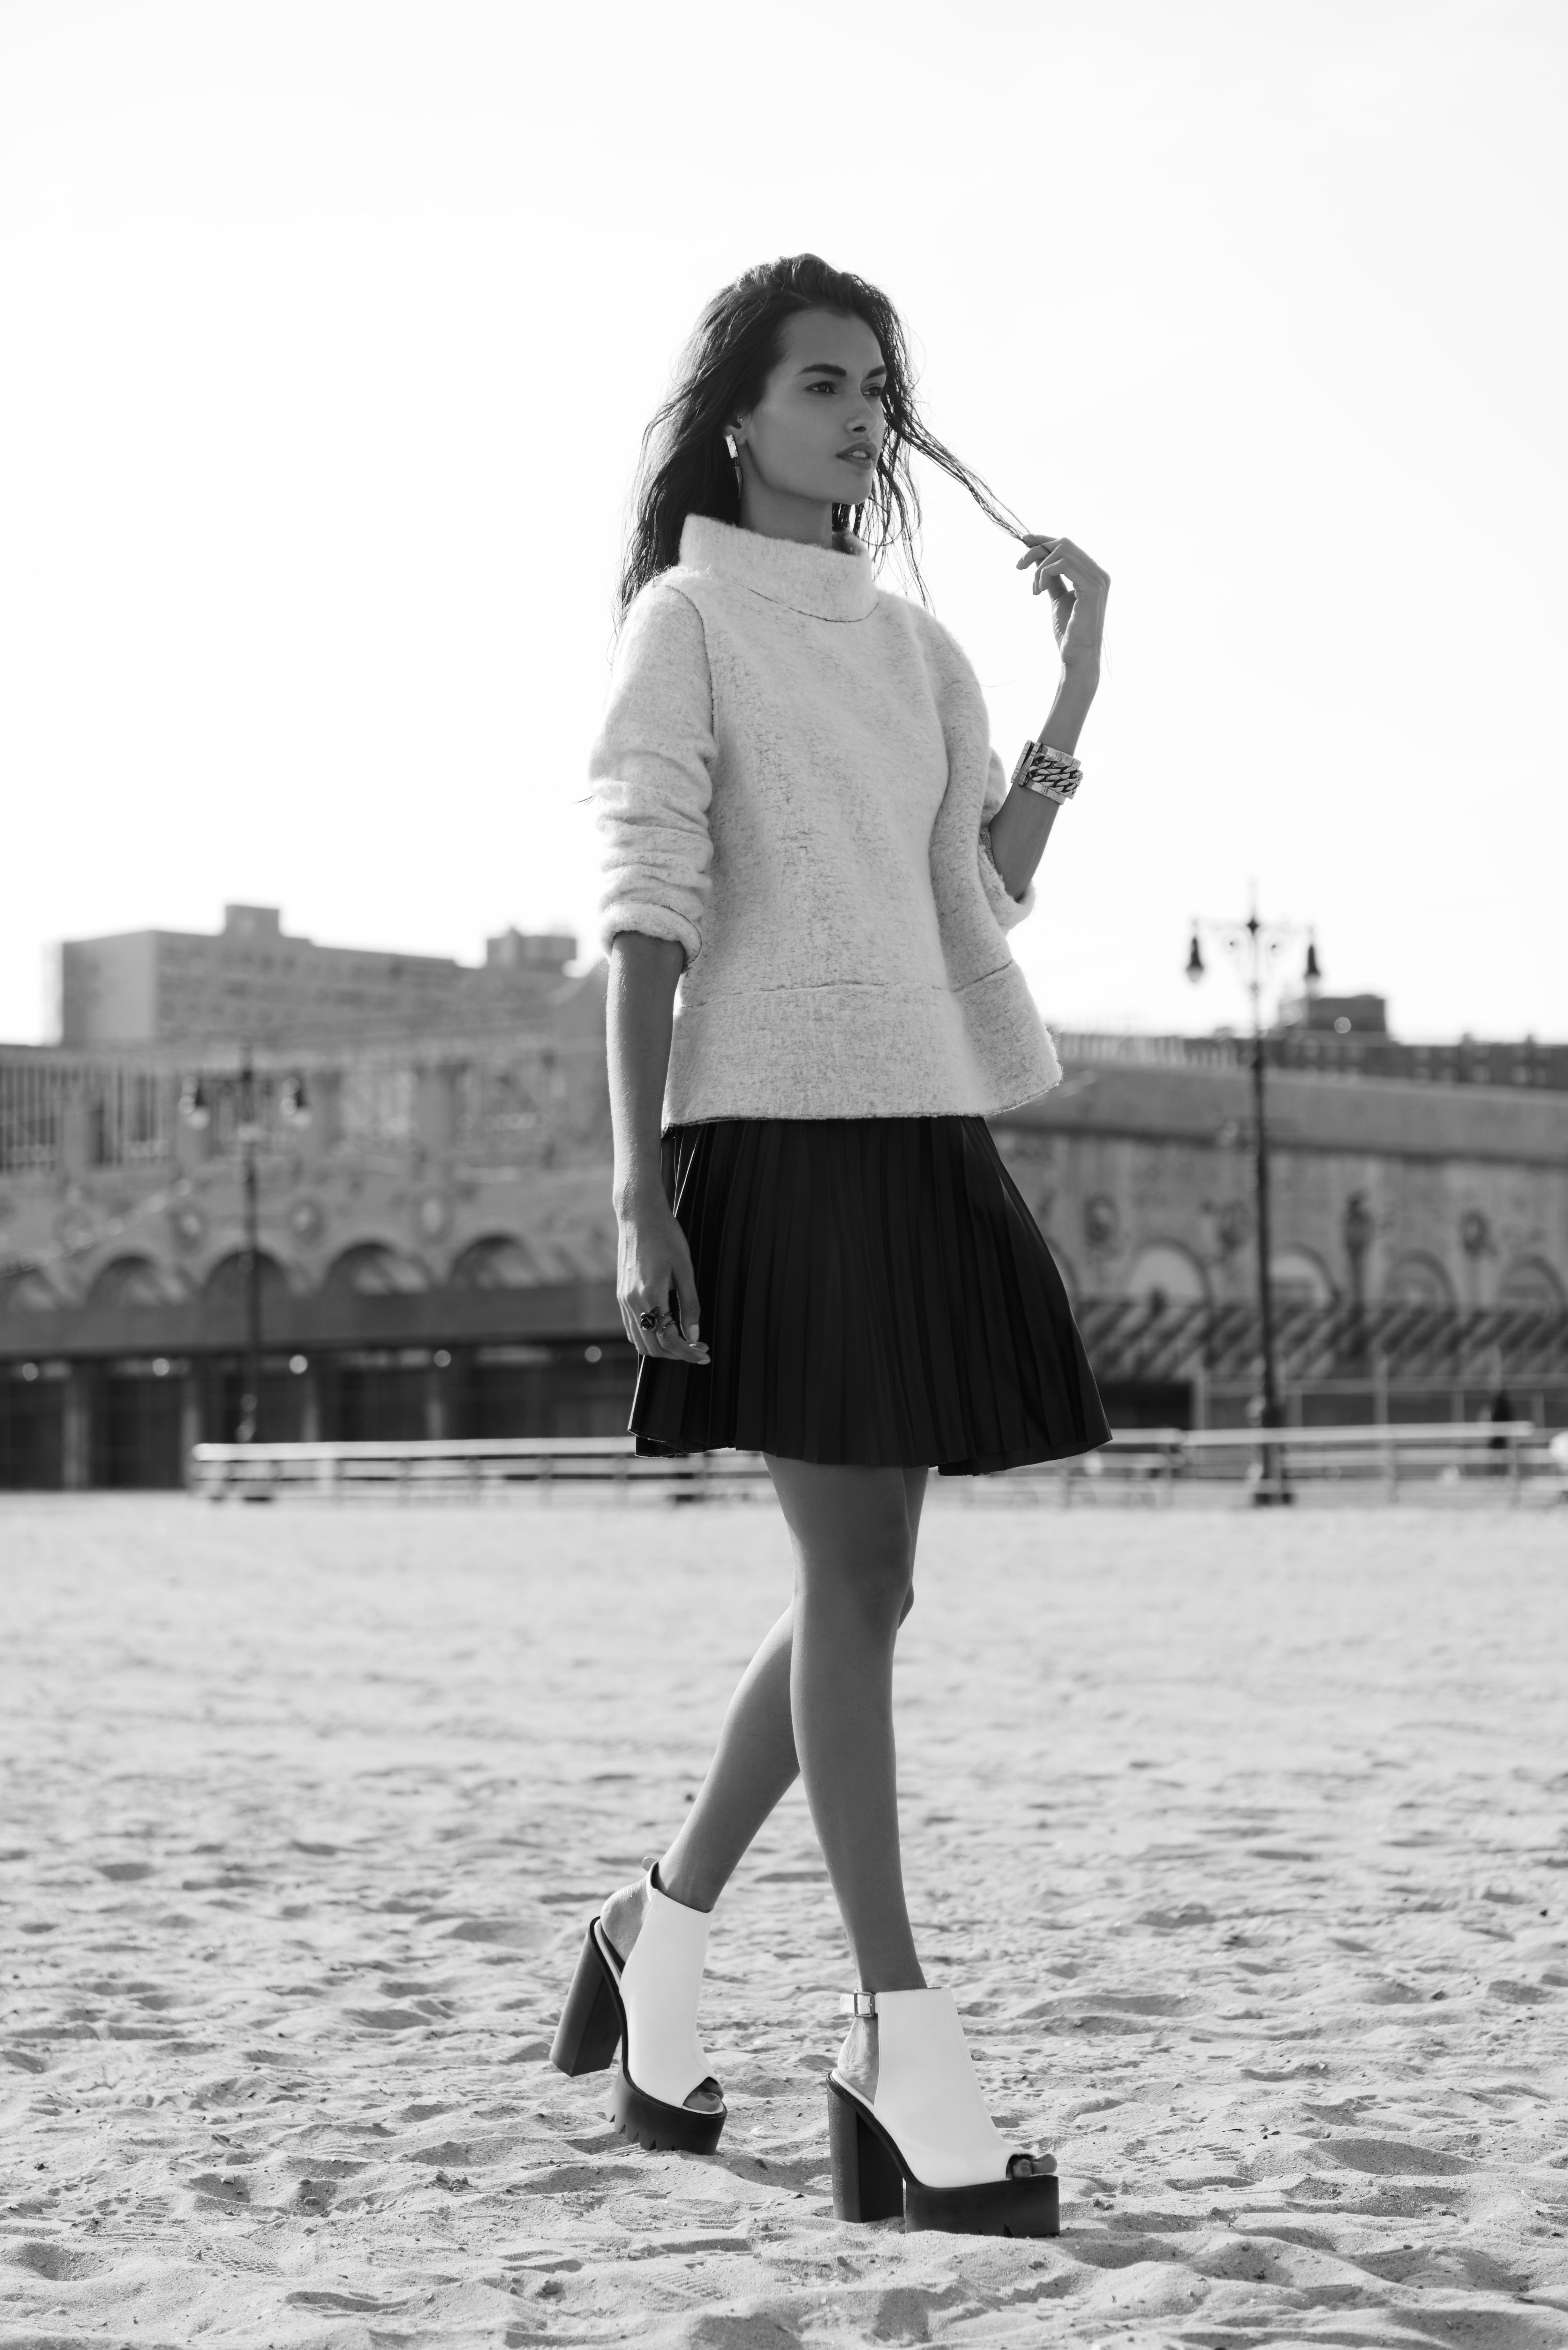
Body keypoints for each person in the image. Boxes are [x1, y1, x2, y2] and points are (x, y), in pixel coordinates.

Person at [550, 253, 1112, 2238]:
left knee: (868, 1586)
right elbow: (645, 916)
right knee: (853, 1589)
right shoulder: (687, 621)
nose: (862, 414)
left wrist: (1074, 694)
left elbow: (977, 900)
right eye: (821, 382)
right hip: (768, 1142)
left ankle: (660, 1927)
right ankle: (901, 2040)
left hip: (920, 1126)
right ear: (737, 419)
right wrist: (640, 1193)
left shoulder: (916, 649)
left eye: (878, 385)